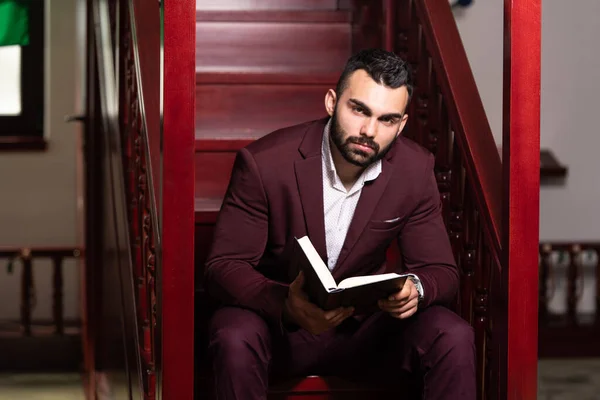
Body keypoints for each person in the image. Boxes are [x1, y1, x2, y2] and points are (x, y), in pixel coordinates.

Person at [204, 48, 475, 400]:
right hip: (282, 331)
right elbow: (223, 266)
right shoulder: (264, 163)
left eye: (387, 119)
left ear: (402, 124)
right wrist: (286, 305)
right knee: (232, 334)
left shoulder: (415, 169)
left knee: (452, 334)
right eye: (359, 109)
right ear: (333, 102)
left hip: (364, 333)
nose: (368, 131)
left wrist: (416, 290)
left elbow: (441, 271)